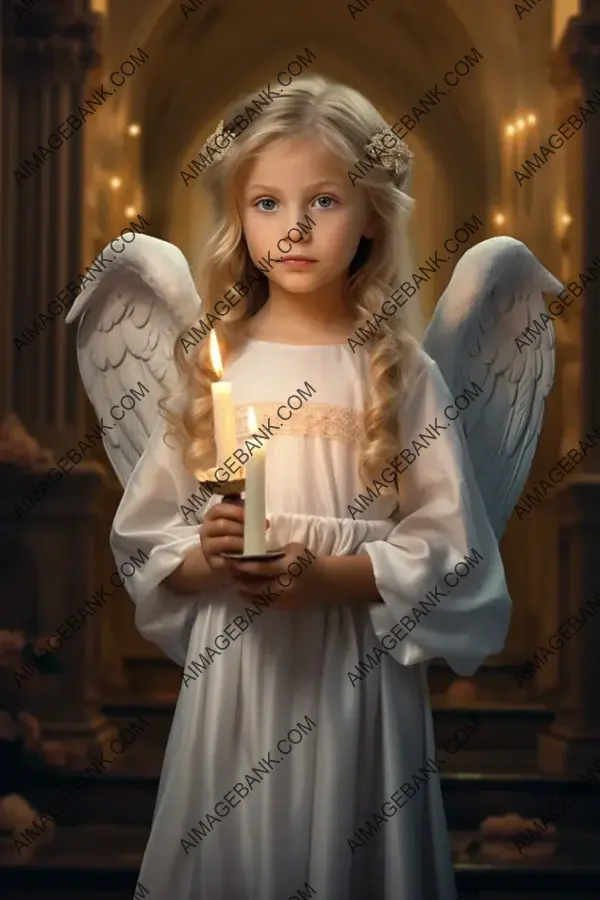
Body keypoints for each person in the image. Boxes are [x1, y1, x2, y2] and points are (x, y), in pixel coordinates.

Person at [110, 75, 511, 899]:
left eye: (323, 201)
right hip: (239, 671)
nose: (293, 229)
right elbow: (148, 538)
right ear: (239, 214)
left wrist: (329, 576)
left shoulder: (403, 374)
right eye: (266, 203)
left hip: (356, 670)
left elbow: (452, 547)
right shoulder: (212, 367)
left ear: (372, 217)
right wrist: (205, 557)